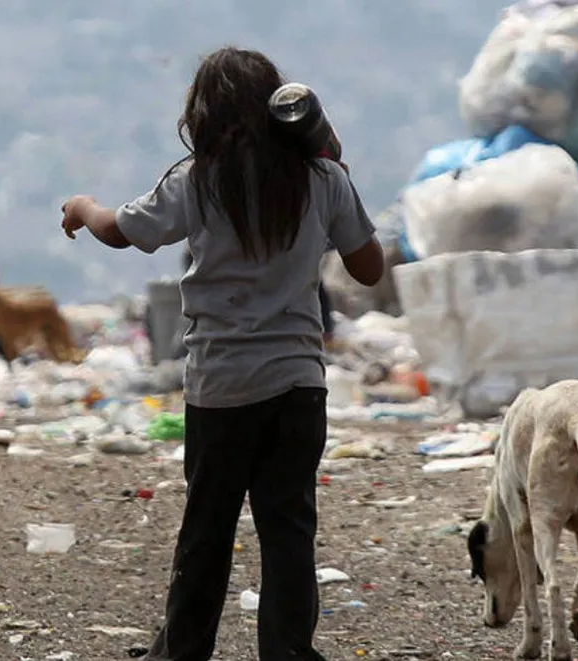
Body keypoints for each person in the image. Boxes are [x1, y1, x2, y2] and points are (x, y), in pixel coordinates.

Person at [58, 47, 384, 661]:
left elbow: (121, 231)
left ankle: (182, 651)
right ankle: (288, 651)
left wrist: (81, 207)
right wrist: (330, 157)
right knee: (288, 530)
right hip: (297, 384)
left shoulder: (198, 178)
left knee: (207, 529)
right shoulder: (322, 180)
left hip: (221, 385)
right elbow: (369, 268)